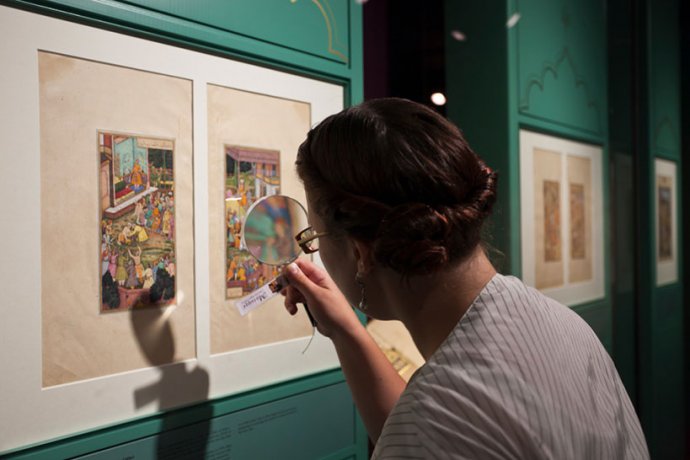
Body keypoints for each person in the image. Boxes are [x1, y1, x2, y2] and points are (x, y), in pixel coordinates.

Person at [280, 98, 648, 459]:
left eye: (314, 235)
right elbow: (441, 425)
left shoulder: (432, 427)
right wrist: (346, 330)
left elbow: (431, 432)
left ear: (361, 254)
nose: (313, 247)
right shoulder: (560, 322)